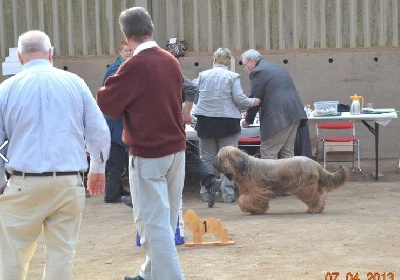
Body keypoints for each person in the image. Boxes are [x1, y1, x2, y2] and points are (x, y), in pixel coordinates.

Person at [0, 30, 110, 280]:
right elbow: (99, 132)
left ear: (19, 57)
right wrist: (96, 169)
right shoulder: (75, 83)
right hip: (68, 181)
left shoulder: (6, 89)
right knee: (62, 254)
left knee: (14, 256)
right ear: (51, 53)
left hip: (22, 183)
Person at [97, 7, 186, 280]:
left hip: (149, 153)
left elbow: (107, 103)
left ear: (126, 35)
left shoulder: (133, 66)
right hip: (176, 151)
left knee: (152, 224)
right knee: (167, 220)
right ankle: (148, 274)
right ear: (151, 28)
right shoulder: (171, 60)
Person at [192, 47, 260, 203]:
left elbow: (193, 93)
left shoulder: (202, 75)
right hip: (227, 122)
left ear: (214, 60)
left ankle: (206, 191)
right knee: (229, 160)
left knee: (207, 159)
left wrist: (201, 104)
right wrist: (253, 101)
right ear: (228, 62)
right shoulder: (232, 76)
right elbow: (239, 99)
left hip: (205, 122)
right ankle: (228, 195)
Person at [241, 49, 307, 159]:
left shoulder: (258, 71)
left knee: (268, 152)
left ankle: (270, 177)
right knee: (287, 153)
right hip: (295, 113)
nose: (245, 68)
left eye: (245, 64)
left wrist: (248, 120)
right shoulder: (278, 67)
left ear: (252, 61)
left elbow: (256, 99)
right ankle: (289, 177)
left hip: (279, 118)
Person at [102, 41, 132, 203]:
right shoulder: (115, 71)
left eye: (130, 50)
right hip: (114, 123)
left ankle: (118, 189)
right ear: (119, 52)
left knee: (119, 160)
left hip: (118, 122)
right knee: (116, 162)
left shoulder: (125, 69)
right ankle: (111, 194)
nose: (129, 53)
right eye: (126, 51)